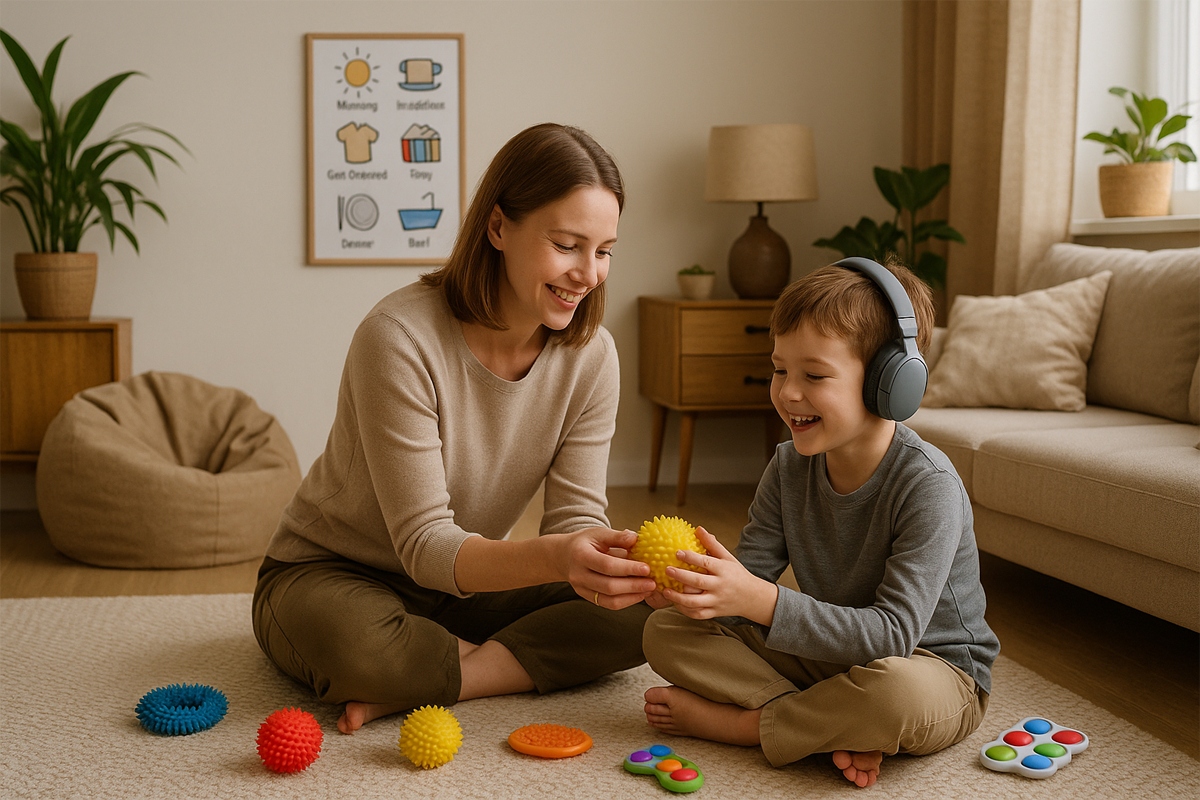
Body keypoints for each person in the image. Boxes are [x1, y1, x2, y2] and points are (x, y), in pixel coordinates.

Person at [252, 123, 657, 735]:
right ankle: (426, 668)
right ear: (497, 228)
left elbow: (574, 520)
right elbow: (424, 544)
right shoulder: (398, 337)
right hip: (333, 574)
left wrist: (613, 566)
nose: (588, 274)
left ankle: (442, 677)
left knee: (645, 613)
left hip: (462, 583)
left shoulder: (592, 355)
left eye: (603, 252)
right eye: (567, 245)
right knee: (361, 651)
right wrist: (557, 558)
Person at [639, 259, 1000, 788]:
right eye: (780, 370)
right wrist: (695, 593)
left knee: (890, 696)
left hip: (929, 669)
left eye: (814, 375)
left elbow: (893, 636)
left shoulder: (929, 485)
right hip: (831, 656)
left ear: (888, 383)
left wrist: (758, 600)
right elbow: (748, 586)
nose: (788, 392)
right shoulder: (788, 466)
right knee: (666, 631)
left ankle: (750, 726)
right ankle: (828, 724)